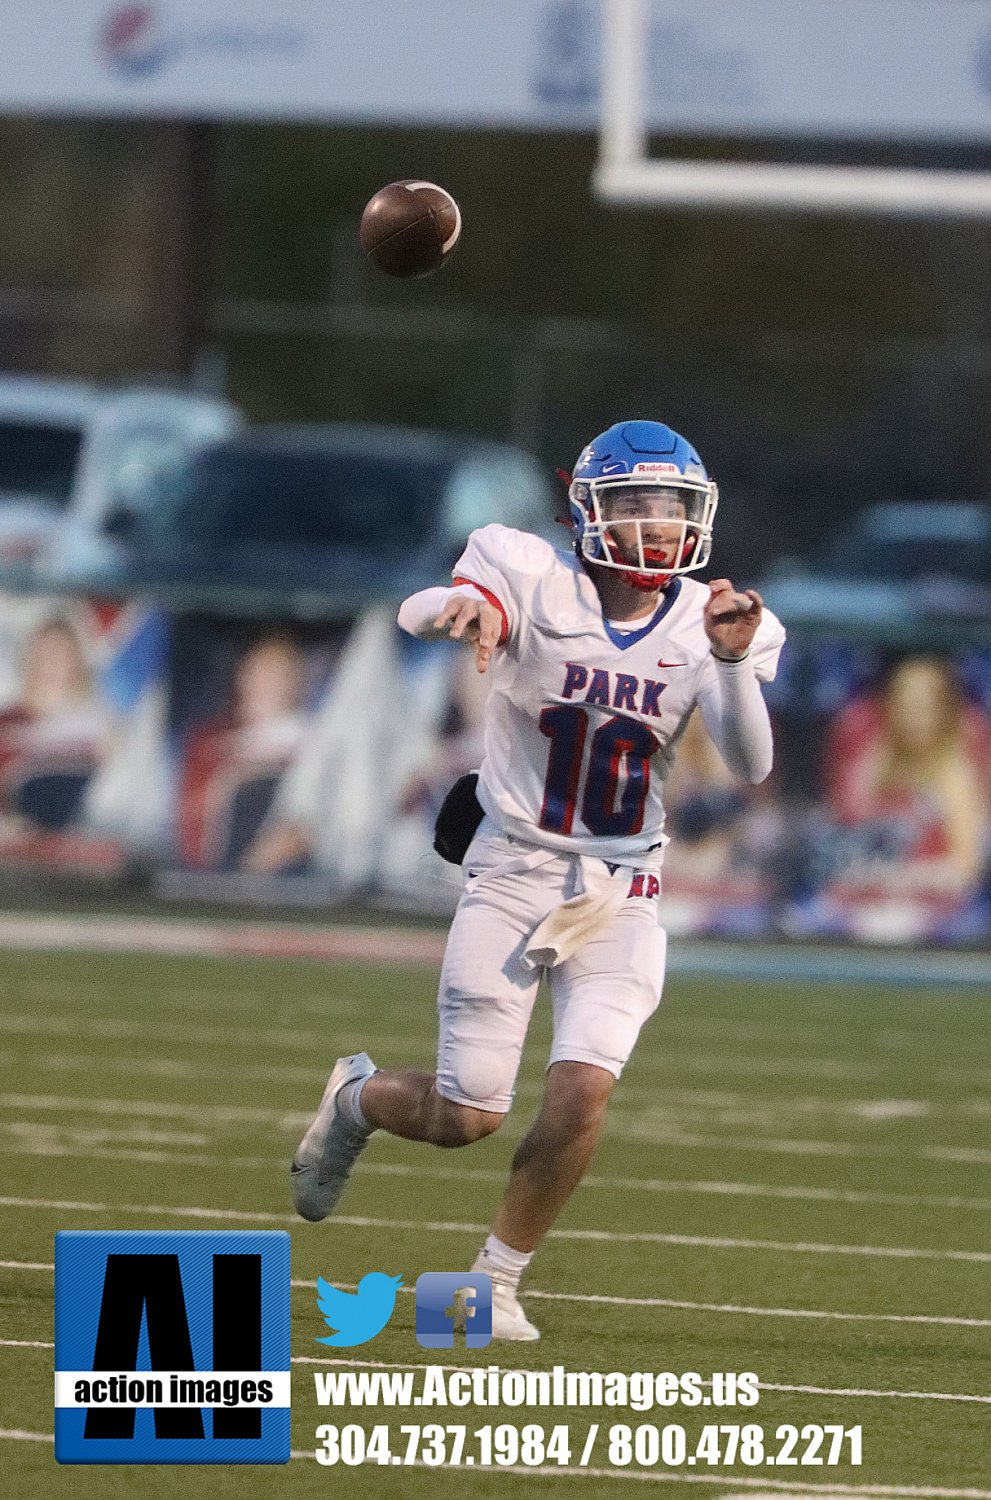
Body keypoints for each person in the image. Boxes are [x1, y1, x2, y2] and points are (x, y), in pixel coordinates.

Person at [290, 420, 786, 1339]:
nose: (654, 524)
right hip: (514, 868)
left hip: (625, 885)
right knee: (466, 1113)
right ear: (586, 509)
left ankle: (489, 1286)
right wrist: (459, 606)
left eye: (670, 506)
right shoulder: (525, 568)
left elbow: (751, 763)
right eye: (633, 503)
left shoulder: (715, 617)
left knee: (583, 1089)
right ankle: (355, 1097)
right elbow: (420, 608)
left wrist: (726, 660)